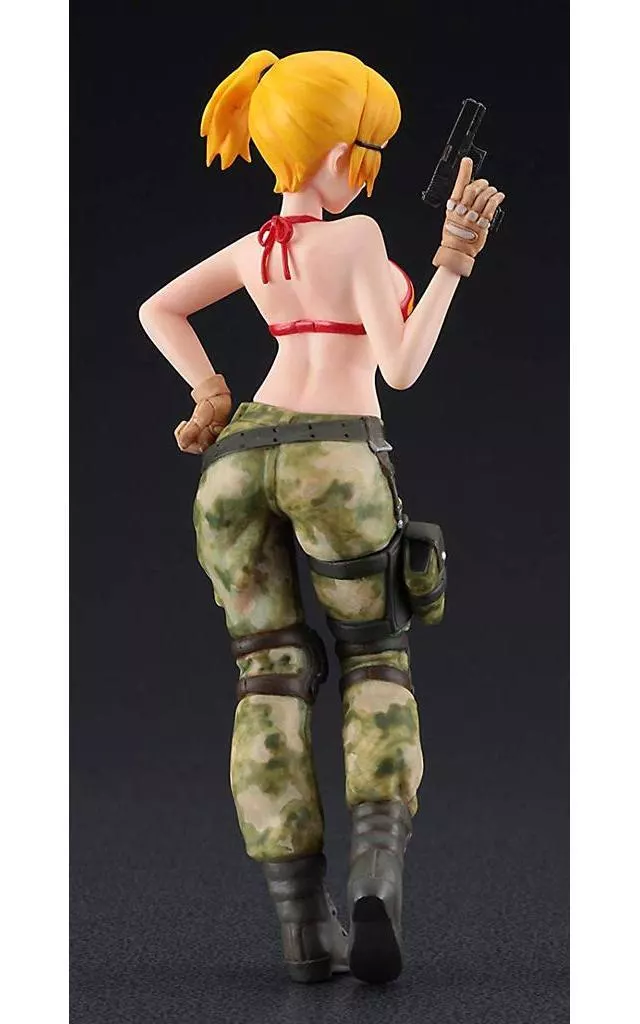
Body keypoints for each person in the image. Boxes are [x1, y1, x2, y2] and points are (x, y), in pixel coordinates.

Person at [138, 49, 505, 985]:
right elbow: (402, 366)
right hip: (336, 456)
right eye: (366, 151)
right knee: (376, 660)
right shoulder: (360, 237)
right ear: (338, 150)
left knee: (265, 678)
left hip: (237, 462)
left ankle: (304, 930)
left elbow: (158, 310)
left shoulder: (256, 248)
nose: (368, 173)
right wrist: (452, 262)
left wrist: (209, 392)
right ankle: (375, 878)